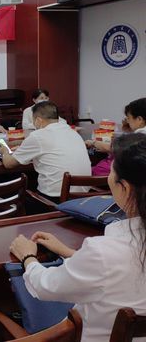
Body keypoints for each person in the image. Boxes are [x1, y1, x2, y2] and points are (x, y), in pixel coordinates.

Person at [9, 132, 146, 342]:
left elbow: (45, 286)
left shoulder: (103, 253)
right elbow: (119, 270)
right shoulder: (110, 253)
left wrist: (28, 257)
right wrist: (69, 253)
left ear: (125, 188)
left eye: (111, 171)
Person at [0, 101, 91, 202]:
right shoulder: (72, 132)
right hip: (83, 197)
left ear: (38, 120)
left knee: (20, 193)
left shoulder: (38, 136)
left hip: (55, 199)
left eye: (33, 121)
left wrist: (4, 151)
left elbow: (9, 163)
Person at [86, 97, 146, 176]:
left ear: (139, 119)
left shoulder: (141, 134)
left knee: (94, 170)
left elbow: (113, 148)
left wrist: (93, 143)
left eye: (128, 118)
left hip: (125, 173)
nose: (127, 121)